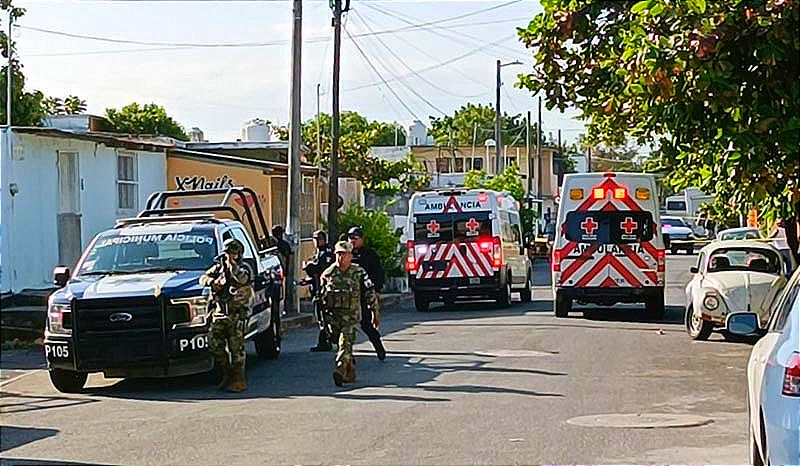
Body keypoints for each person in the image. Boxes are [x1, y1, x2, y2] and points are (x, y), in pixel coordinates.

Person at [319, 241, 381, 386]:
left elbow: (370, 293)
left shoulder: (359, 272)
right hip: (334, 318)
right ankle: (350, 370)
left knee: (345, 342)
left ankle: (340, 369)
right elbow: (320, 298)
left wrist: (374, 312)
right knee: (341, 343)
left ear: (350, 256)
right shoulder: (328, 274)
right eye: (339, 254)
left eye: (344, 254)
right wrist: (323, 321)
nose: (341, 258)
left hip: (352, 316)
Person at [199, 238, 254, 393]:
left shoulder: (244, 268)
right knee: (214, 344)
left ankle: (239, 380)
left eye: (234, 253)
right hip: (220, 313)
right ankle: (227, 373)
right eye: (228, 253)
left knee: (237, 350)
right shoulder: (218, 268)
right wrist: (213, 282)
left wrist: (232, 266)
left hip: (237, 314)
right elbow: (202, 278)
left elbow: (242, 279)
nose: (230, 256)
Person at [347, 226, 386, 361]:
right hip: (347, 298)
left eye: (355, 239)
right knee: (345, 328)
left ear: (362, 239)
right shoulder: (345, 255)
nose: (352, 241)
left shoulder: (369, 255)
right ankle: (346, 356)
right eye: (350, 238)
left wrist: (377, 291)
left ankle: (379, 348)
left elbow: (378, 273)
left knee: (366, 325)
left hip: (363, 295)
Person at [304, 230, 336, 352]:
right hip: (317, 287)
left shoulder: (326, 253)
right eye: (315, 239)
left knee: (323, 316)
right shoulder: (319, 252)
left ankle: (326, 341)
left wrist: (309, 267)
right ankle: (326, 340)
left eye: (318, 239)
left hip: (323, 290)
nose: (316, 242)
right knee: (321, 316)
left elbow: (321, 270)